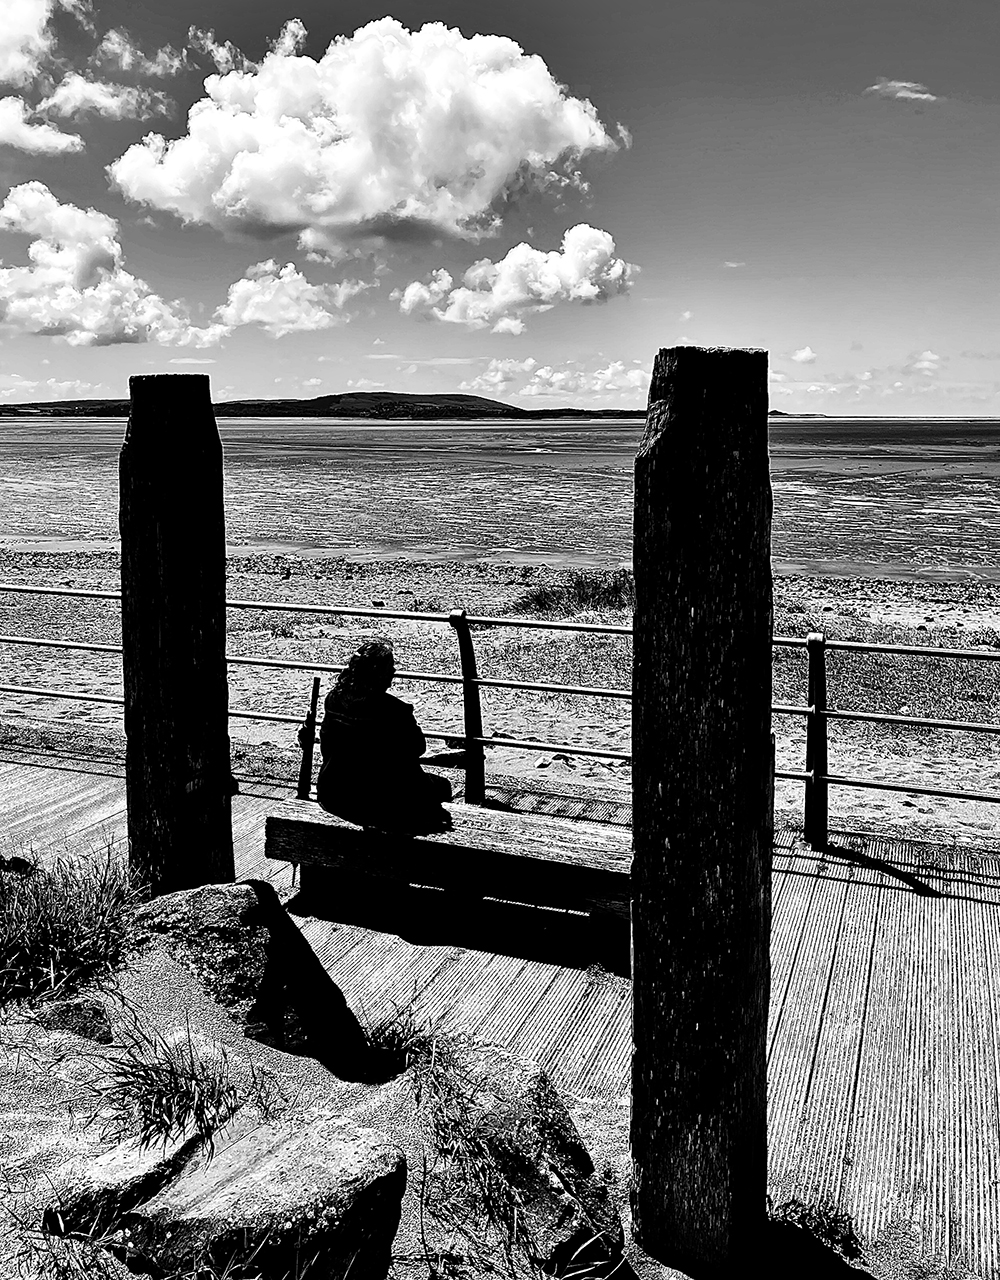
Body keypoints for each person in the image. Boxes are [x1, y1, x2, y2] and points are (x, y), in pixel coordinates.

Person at [316, 638, 452, 832]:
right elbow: (418, 748)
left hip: (334, 793)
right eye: (390, 667)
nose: (394, 671)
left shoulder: (333, 700)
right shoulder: (395, 710)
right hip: (378, 801)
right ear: (378, 674)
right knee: (442, 787)